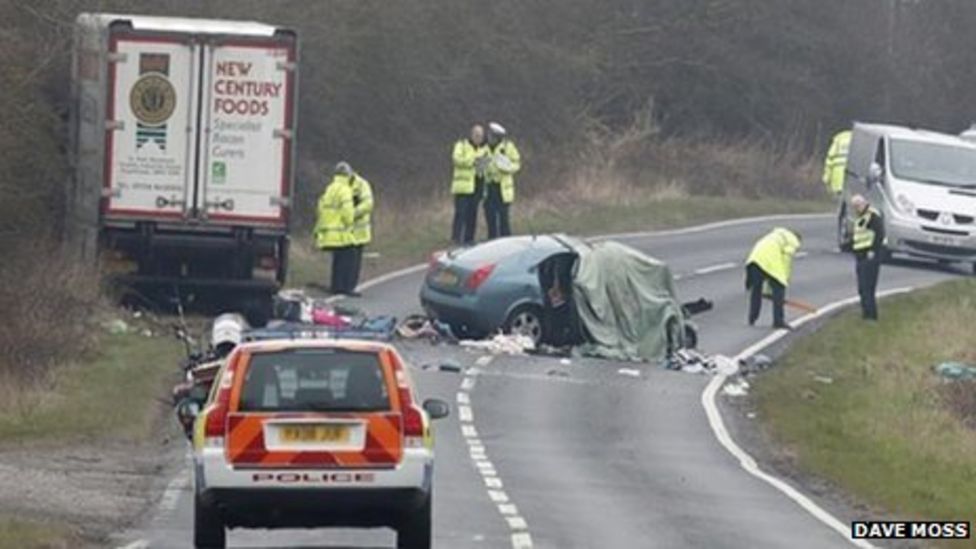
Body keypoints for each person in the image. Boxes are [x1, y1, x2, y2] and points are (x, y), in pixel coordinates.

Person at [745, 227, 803, 329]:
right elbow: (786, 260)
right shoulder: (793, 241)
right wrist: (785, 279)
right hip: (769, 259)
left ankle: (752, 317)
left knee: (756, 289)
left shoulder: (776, 234)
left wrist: (768, 291)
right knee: (779, 288)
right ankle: (778, 321)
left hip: (755, 257)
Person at [314, 162, 356, 295]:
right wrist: (349, 223)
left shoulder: (330, 188)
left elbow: (320, 208)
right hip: (341, 232)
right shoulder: (345, 189)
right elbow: (347, 212)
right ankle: (343, 287)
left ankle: (335, 286)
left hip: (329, 232)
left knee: (337, 261)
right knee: (347, 259)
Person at [451, 125, 489, 245]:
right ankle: (456, 238)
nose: (479, 138)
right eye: (477, 135)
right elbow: (457, 159)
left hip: (477, 185)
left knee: (473, 214)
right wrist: (473, 160)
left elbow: (484, 166)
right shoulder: (461, 145)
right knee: (460, 212)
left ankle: (469, 238)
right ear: (471, 134)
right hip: (463, 187)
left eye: (481, 136)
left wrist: (481, 164)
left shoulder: (484, 148)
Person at [850, 194, 885, 320]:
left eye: (858, 205)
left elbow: (880, 234)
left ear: (864, 203)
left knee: (867, 287)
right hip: (860, 255)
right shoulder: (860, 218)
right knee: (862, 288)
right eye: (855, 207)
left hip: (870, 255)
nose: (857, 208)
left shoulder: (872, 215)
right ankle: (866, 314)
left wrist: (873, 250)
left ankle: (871, 315)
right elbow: (858, 236)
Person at [484, 122, 521, 239]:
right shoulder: (484, 148)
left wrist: (506, 167)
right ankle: (491, 240)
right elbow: (479, 167)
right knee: (490, 217)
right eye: (489, 135)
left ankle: (506, 240)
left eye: (492, 136)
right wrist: (484, 169)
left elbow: (517, 164)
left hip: (503, 189)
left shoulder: (508, 147)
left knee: (503, 218)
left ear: (497, 137)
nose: (489, 138)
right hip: (489, 187)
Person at [349, 168, 374, 297]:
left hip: (359, 232)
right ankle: (341, 286)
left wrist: (353, 213)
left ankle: (351, 286)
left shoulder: (362, 185)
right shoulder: (340, 185)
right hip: (343, 233)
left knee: (354, 261)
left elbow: (368, 204)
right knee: (343, 261)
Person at [822, 129, 852, 196]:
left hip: (837, 177)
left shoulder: (838, 140)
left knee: (838, 199)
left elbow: (829, 159)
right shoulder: (857, 139)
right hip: (851, 177)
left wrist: (826, 178)